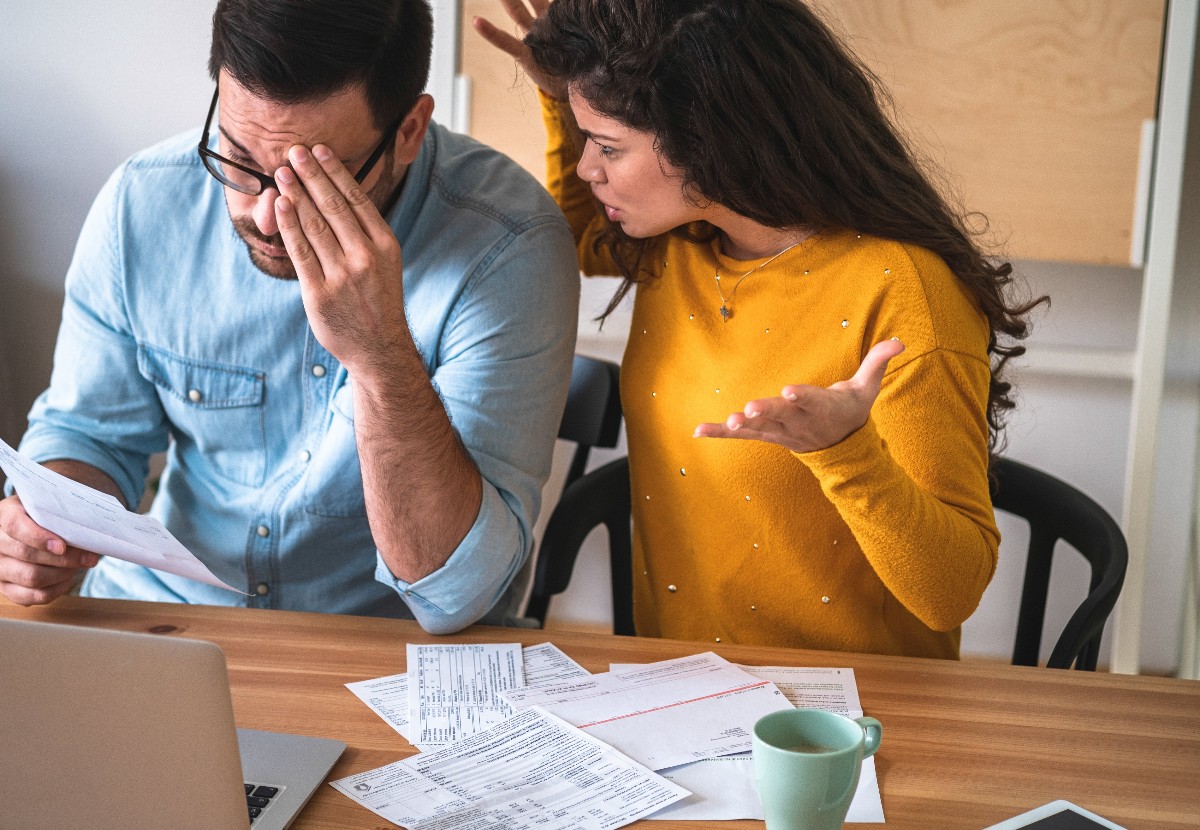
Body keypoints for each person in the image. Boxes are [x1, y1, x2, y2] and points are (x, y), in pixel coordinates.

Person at [476, 0, 1043, 658]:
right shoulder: (681, 243)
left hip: (854, 718)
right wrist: (563, 101)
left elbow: (949, 592)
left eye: (607, 148)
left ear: (707, 140)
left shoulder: (904, 291)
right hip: (688, 688)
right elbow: (564, 240)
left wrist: (847, 451)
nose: (586, 168)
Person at [0, 0, 580, 634]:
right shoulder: (142, 204)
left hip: (379, 645)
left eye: (314, 177)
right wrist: (45, 522)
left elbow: (456, 592)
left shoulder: (508, 245)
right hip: (167, 616)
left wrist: (382, 355)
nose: (264, 214)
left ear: (409, 131)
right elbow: (91, 434)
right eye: (239, 157)